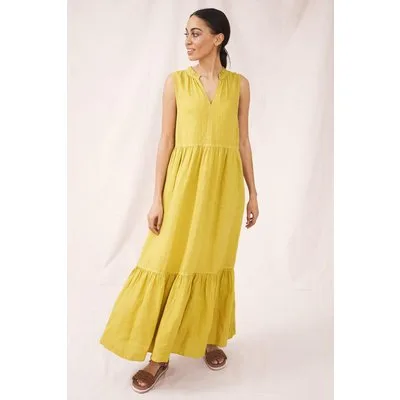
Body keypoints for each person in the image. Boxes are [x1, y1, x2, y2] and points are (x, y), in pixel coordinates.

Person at [99, 7, 259, 394]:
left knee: (213, 260)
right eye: (186, 33)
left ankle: (208, 338)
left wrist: (253, 192)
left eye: (196, 33)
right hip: (183, 186)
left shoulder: (240, 85)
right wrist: (156, 198)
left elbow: (242, 141)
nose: (188, 40)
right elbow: (166, 141)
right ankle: (159, 357)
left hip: (224, 189)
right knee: (166, 260)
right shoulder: (176, 83)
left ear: (218, 38)